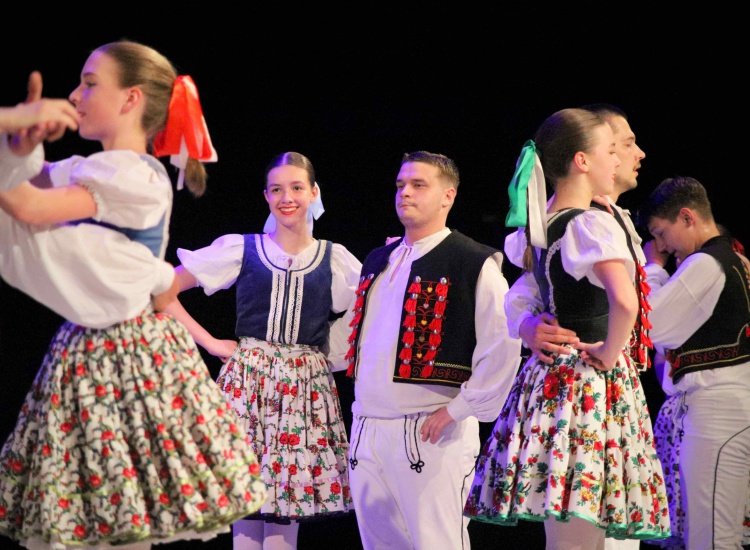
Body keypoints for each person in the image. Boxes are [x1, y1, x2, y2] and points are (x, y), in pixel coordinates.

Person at [0, 41, 268, 550]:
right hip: (90, 349)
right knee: (97, 514)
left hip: (124, 356)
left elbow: (27, 206)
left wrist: (12, 121)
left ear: (130, 98)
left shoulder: (134, 175)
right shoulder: (100, 168)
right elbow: (30, 183)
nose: (75, 95)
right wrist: (19, 143)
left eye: (90, 83)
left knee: (120, 514)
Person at [463, 108, 670, 549]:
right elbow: (534, 294)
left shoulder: (578, 220)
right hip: (590, 380)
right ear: (583, 158)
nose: (627, 156)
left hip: (569, 383)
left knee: (580, 520)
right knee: (577, 521)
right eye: (617, 147)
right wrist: (531, 326)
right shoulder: (580, 223)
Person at [163, 151, 361, 549]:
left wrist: (326, 351)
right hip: (249, 388)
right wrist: (211, 342)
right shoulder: (244, 248)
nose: (286, 197)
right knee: (246, 510)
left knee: (286, 511)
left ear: (313, 193)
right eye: (276, 189)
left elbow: (369, 311)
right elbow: (164, 290)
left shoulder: (334, 259)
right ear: (266, 196)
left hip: (303, 393)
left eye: (296, 187)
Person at [332, 150, 522, 549]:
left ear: (448, 196)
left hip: (430, 428)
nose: (405, 192)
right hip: (368, 424)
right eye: (401, 185)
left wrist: (460, 408)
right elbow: (360, 335)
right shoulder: (379, 259)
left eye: (419, 185)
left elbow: (502, 343)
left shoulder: (472, 261)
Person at [639, 175, 750, 550]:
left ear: (687, 217)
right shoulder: (736, 259)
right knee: (715, 534)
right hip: (730, 406)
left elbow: (653, 324)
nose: (662, 245)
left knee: (712, 538)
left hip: (720, 408)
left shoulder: (707, 262)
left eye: (661, 232)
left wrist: (653, 269)